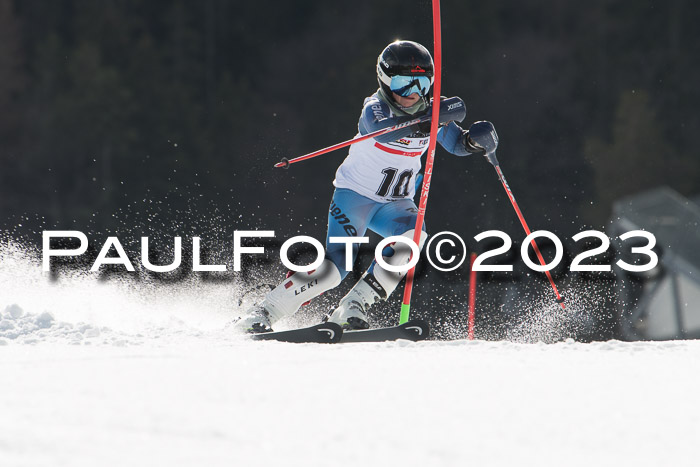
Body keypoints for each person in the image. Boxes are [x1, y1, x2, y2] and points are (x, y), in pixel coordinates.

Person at [235, 40, 498, 333]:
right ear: (385, 81)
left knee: (414, 239)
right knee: (335, 269)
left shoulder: (433, 113)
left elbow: (458, 144)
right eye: (402, 84)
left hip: (394, 205)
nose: (412, 94)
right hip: (355, 197)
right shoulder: (374, 108)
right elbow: (384, 132)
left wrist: (476, 142)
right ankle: (263, 312)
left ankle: (353, 306)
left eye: (421, 84)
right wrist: (429, 121)